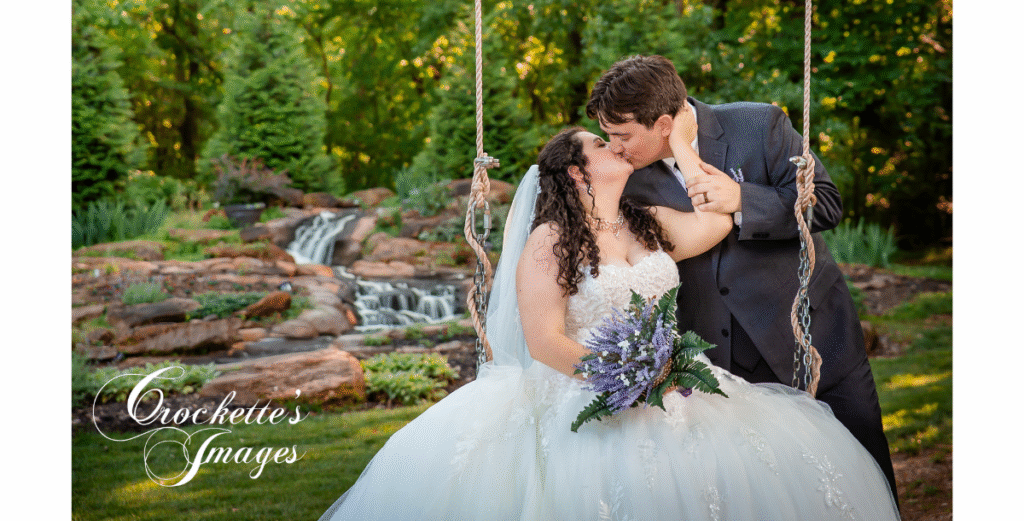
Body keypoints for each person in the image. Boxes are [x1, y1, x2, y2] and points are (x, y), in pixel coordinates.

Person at [317, 122, 900, 520]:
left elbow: (718, 218)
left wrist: (684, 147)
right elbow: (544, 341)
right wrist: (626, 377)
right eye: (600, 143)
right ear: (576, 173)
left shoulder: (648, 221)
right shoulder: (550, 241)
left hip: (674, 387)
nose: (616, 146)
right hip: (586, 393)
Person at [586, 54, 899, 505]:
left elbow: (826, 204)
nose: (614, 148)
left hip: (814, 336)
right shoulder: (626, 177)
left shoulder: (758, 125)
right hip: (721, 359)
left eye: (622, 135)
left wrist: (741, 198)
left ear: (663, 124)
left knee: (863, 465)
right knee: (770, 492)